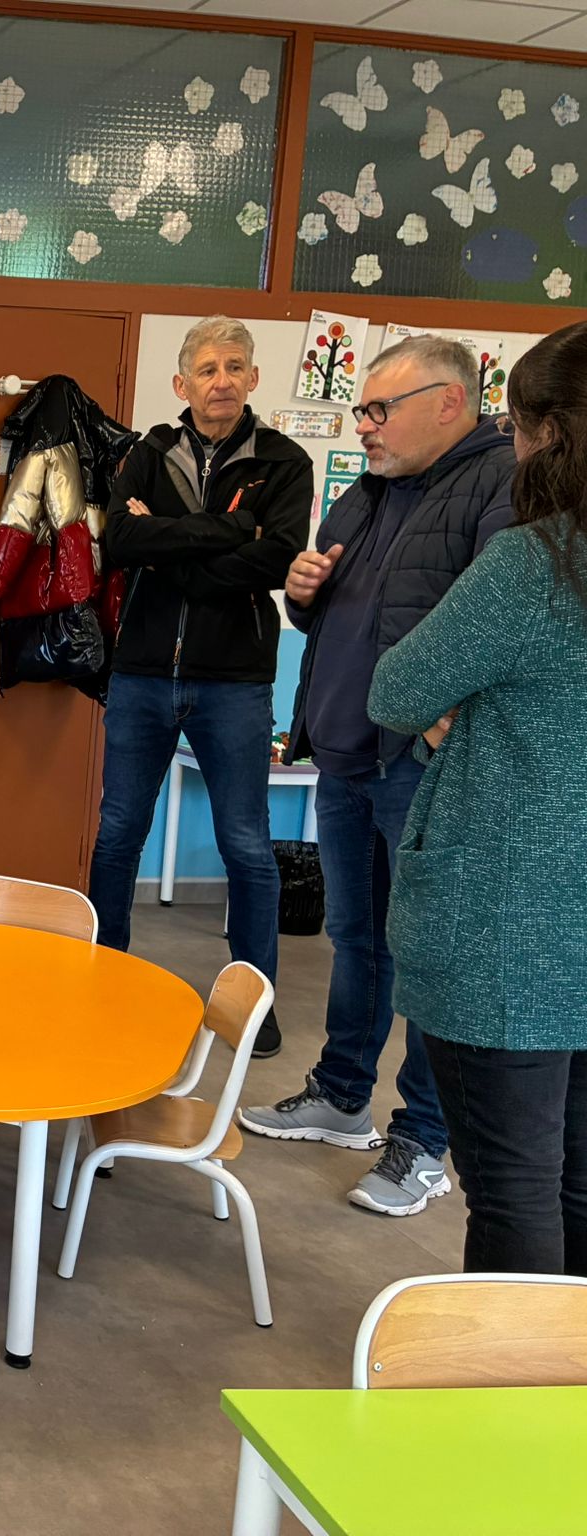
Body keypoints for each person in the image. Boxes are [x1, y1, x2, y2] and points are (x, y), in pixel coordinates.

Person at [240, 335, 517, 1219]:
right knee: (356, 939)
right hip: (348, 752)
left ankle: (424, 1141)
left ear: (449, 402)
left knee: (428, 956)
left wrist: (439, 717)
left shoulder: (500, 482)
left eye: (378, 409)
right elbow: (333, 612)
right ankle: (341, 1095)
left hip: (424, 767)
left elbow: (499, 621)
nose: (363, 426)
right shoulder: (366, 492)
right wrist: (303, 591)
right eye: (361, 409)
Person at [365, 319, 587, 1275]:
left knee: (512, 1188)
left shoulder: (537, 562)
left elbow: (398, 688)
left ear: (551, 433)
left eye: (520, 425)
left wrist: (452, 708)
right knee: (578, 1184)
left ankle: (512, 1370)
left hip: (512, 927)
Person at [88, 315, 311, 1056]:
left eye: (235, 366)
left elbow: (275, 559)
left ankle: (255, 1003)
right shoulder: (147, 452)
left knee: (246, 844)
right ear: (182, 383)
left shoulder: (283, 462)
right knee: (119, 832)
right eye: (208, 369)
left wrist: (170, 544)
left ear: (253, 378)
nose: (222, 380)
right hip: (143, 674)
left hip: (235, 681)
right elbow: (120, 542)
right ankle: (101, 978)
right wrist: (231, 530)